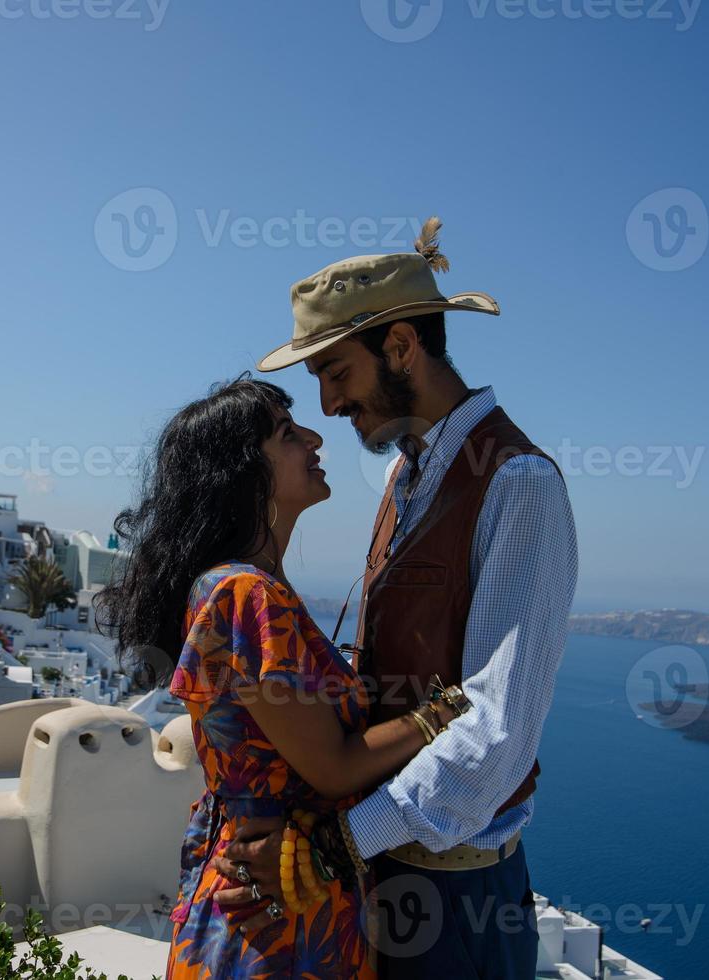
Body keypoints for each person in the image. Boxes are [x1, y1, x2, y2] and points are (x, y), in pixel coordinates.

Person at [215, 218, 578, 979]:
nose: (326, 403)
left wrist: (335, 843)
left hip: (458, 891)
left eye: (336, 371)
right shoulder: (404, 476)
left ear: (403, 348)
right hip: (383, 866)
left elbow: (497, 721)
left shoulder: (518, 482)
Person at [99, 377, 473, 979]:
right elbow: (335, 765)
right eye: (288, 434)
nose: (314, 437)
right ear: (244, 473)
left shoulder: (235, 586)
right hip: (279, 918)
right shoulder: (247, 595)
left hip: (276, 890)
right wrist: (442, 714)